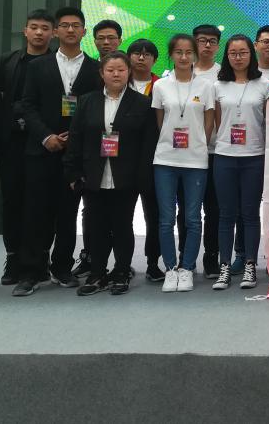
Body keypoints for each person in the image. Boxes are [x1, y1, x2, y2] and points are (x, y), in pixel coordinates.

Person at [13, 7, 101, 297]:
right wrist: (46, 136)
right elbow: (27, 105)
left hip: (76, 154)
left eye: (76, 25)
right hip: (41, 150)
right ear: (56, 31)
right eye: (64, 25)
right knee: (35, 211)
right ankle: (31, 271)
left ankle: (62, 266)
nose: (70, 30)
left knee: (67, 212)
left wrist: (75, 139)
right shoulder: (38, 66)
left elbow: (97, 109)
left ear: (84, 31)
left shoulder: (96, 68)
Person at [63, 52, 156, 296]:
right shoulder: (87, 101)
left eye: (121, 70)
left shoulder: (142, 103)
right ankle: (97, 273)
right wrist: (73, 173)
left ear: (129, 72)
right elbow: (76, 138)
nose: (116, 74)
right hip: (93, 174)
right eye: (110, 70)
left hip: (127, 176)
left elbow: (147, 145)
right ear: (102, 73)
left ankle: (122, 271)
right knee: (97, 225)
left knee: (123, 224)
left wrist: (143, 177)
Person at [151, 34, 215, 293]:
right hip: (165, 159)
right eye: (178, 52)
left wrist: (198, 144)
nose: (184, 56)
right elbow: (160, 121)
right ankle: (170, 268)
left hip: (196, 160)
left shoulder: (206, 86)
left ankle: (187, 268)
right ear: (171, 55)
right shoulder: (161, 86)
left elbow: (209, 122)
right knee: (166, 219)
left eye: (189, 52)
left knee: (192, 218)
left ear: (195, 55)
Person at [0, 9, 54, 285]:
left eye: (45, 28)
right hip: (12, 142)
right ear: (25, 30)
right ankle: (13, 258)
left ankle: (40, 259)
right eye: (34, 27)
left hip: (42, 142)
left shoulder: (55, 63)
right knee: (12, 200)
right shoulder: (8, 61)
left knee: (41, 203)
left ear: (52, 33)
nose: (39, 32)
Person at [212, 34, 269, 290]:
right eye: (233, 53)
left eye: (243, 52)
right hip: (225, 155)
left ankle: (250, 264)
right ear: (227, 56)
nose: (238, 58)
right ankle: (224, 266)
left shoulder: (265, 85)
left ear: (252, 53)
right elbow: (218, 122)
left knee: (250, 213)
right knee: (226, 214)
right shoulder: (218, 86)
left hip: (254, 156)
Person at [70, 17, 123, 278]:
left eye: (111, 38)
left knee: (119, 217)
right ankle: (90, 258)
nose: (106, 42)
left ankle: (121, 266)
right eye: (101, 38)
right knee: (90, 213)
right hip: (91, 152)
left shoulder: (123, 69)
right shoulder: (88, 69)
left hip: (121, 157)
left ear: (120, 40)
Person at [126, 38, 164, 281]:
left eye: (147, 54)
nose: (141, 58)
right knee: (122, 216)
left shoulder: (162, 86)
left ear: (154, 59)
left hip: (154, 160)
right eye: (136, 53)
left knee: (155, 215)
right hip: (123, 160)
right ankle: (123, 264)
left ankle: (153, 262)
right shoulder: (119, 83)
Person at [188, 24, 223, 279]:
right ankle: (185, 258)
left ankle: (212, 257)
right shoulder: (181, 72)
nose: (207, 45)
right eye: (202, 40)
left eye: (212, 41)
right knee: (188, 210)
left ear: (218, 46)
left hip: (217, 151)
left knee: (214, 209)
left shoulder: (224, 74)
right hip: (186, 153)